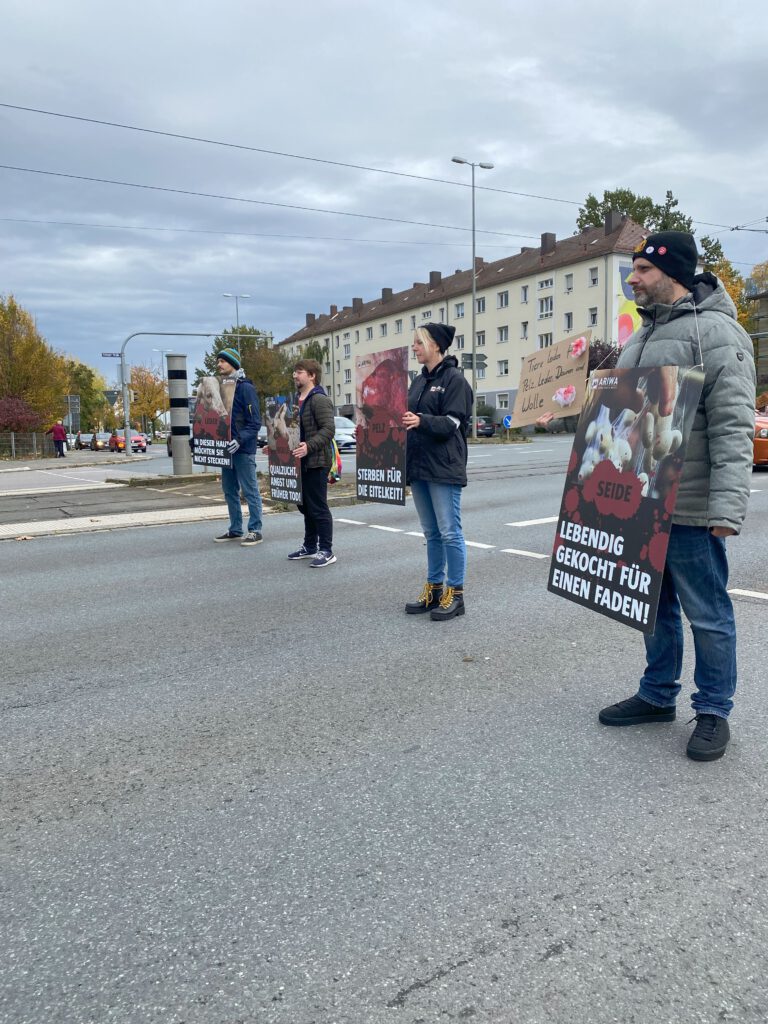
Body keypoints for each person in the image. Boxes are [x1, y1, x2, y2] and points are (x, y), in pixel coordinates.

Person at [598, 231, 756, 761]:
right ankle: (657, 694)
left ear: (671, 273)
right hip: (641, 505)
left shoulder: (717, 333)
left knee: (707, 613)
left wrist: (726, 510)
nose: (632, 279)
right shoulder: (638, 339)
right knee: (651, 607)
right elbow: (621, 421)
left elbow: (734, 428)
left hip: (689, 508)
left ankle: (713, 709)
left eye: (641, 269)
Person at [402, 323, 473, 621]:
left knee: (449, 532)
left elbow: (453, 424)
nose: (414, 348)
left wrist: (421, 420)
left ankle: (455, 595)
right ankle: (433, 589)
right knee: (431, 533)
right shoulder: (418, 381)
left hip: (443, 467)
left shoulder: (455, 380)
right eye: (414, 343)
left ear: (436, 345)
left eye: (419, 342)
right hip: (419, 466)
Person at [212, 347, 264, 547]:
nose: (219, 365)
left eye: (223, 361)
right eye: (218, 361)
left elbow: (255, 422)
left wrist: (240, 439)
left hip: (242, 449)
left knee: (250, 490)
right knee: (229, 489)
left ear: (233, 363)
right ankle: (235, 528)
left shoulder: (245, 388)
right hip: (226, 450)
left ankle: (255, 530)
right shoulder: (221, 388)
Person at [287, 358, 336, 568]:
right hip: (300, 462)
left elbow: (328, 429)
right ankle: (309, 546)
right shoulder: (295, 400)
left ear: (312, 375)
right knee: (305, 506)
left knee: (318, 507)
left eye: (299, 372)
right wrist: (274, 447)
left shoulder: (319, 399)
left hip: (316, 461)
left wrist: (309, 446)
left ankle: (326, 549)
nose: (295, 375)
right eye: (294, 372)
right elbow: (290, 431)